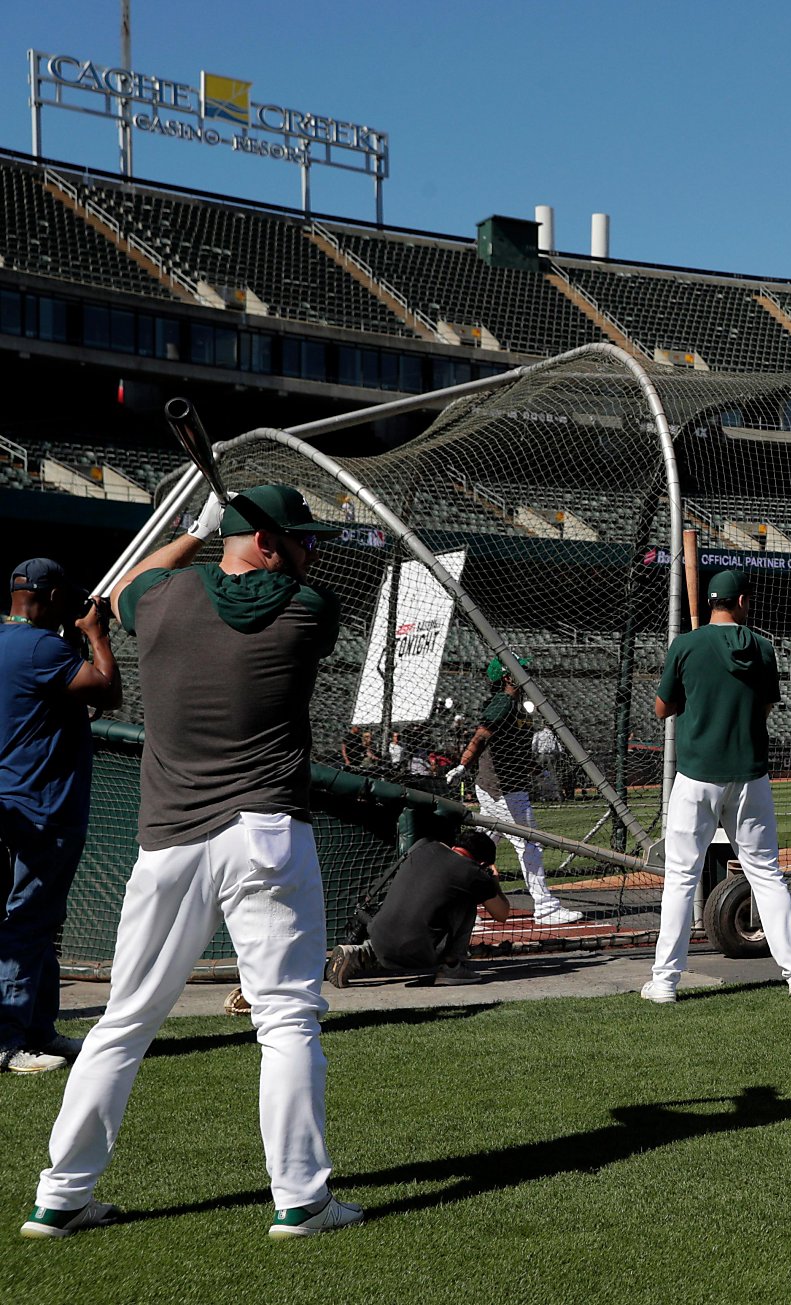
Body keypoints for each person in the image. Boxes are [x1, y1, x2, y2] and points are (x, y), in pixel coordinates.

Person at [25, 487, 362, 1240]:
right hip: (266, 832)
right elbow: (291, 583)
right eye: (299, 539)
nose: (311, 551)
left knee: (124, 1020)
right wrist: (228, 535)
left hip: (169, 838)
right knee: (286, 1018)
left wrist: (195, 532)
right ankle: (301, 1199)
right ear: (270, 545)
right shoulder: (310, 608)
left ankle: (60, 1194)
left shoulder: (164, 596)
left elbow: (118, 591)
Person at [643, 570, 791, 1002]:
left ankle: (665, 982)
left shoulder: (686, 644)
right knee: (766, 875)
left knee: (681, 878)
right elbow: (763, 710)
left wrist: (692, 688)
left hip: (697, 775)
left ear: (711, 602)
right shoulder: (762, 647)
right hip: (750, 775)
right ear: (742, 600)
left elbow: (661, 708)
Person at [1, 559, 120, 1075]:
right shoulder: (43, 647)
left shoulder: (16, 644)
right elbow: (108, 691)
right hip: (41, 805)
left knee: (38, 921)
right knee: (27, 923)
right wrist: (96, 636)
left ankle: (38, 1029)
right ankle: (8, 1041)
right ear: (47, 597)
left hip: (14, 803)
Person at [446, 656, 581, 927]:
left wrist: (535, 769)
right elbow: (481, 735)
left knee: (480, 845)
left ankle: (455, 901)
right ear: (508, 677)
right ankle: (544, 906)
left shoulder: (517, 705)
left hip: (505, 786)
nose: (526, 673)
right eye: (520, 669)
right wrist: (462, 765)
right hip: (502, 789)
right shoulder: (503, 702)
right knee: (529, 843)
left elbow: (512, 748)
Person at [328, 831, 509, 988]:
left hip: (378, 935)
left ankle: (358, 953)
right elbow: (501, 914)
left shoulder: (423, 849)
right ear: (482, 862)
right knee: (468, 899)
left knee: (405, 927)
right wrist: (494, 882)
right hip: (418, 949)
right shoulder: (472, 873)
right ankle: (452, 967)